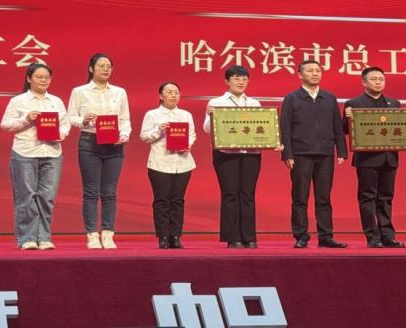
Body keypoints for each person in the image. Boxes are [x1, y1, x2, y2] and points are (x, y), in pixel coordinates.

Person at [0, 62, 69, 250]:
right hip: (25, 152)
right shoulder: (18, 101)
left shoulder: (56, 101)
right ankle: (27, 238)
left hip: (52, 152)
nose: (43, 80)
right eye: (39, 77)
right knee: (26, 196)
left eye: (47, 77)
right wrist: (26, 119)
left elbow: (65, 124)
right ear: (29, 78)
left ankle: (43, 237)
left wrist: (61, 134)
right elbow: (5, 125)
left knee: (47, 197)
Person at [280, 60, 348, 249]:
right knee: (300, 197)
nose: (315, 73)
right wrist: (287, 153)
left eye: (318, 70)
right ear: (300, 75)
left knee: (324, 198)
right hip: (300, 153)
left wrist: (341, 150)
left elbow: (337, 126)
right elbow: (284, 128)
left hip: (325, 153)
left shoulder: (329, 98)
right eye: (310, 71)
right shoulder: (292, 98)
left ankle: (326, 236)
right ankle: (301, 236)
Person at [67, 53, 131, 250]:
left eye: (108, 66)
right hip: (90, 142)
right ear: (91, 68)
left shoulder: (119, 92)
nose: (105, 69)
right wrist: (84, 120)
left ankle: (108, 233)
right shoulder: (80, 91)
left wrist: (124, 135)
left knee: (110, 192)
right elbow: (71, 117)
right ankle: (92, 235)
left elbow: (125, 119)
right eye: (101, 66)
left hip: (114, 144)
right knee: (91, 192)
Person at [203, 65, 267, 248]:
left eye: (244, 79)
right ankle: (233, 237)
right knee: (230, 194)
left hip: (251, 153)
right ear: (227, 81)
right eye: (237, 78)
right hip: (226, 154)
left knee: (248, 194)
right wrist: (210, 115)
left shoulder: (254, 103)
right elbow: (207, 129)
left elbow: (264, 127)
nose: (241, 82)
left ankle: (249, 237)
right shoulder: (216, 102)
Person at [344, 66, 406, 248]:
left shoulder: (394, 103)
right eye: (373, 79)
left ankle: (388, 236)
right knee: (368, 197)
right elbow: (344, 130)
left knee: (386, 197)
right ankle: (372, 236)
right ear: (363, 82)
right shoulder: (353, 104)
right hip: (367, 159)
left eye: (381, 79)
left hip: (389, 157)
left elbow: (402, 129)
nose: (378, 82)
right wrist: (347, 118)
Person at [140, 82, 196, 249]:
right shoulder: (152, 114)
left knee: (178, 200)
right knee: (162, 200)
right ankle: (163, 236)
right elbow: (144, 136)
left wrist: (188, 144)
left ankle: (176, 236)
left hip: (183, 162)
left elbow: (192, 134)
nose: (173, 95)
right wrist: (158, 130)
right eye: (169, 92)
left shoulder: (186, 115)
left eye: (176, 92)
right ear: (161, 96)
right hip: (160, 163)